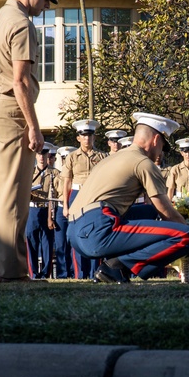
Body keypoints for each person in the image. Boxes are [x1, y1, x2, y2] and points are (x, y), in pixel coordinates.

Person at [0, 0, 64, 283]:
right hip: (11, 113)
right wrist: (34, 127)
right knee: (14, 197)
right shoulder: (21, 24)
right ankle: (12, 271)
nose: (46, 8)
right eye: (45, 0)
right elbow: (21, 81)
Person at [66, 112, 189, 283]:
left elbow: (154, 210)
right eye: (162, 146)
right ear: (155, 140)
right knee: (187, 235)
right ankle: (116, 267)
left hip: (74, 233)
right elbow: (165, 211)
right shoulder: (143, 162)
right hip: (97, 231)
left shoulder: (112, 158)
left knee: (148, 211)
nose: (161, 153)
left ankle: (115, 267)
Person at [62, 119, 108, 280]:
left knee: (96, 233)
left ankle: (96, 272)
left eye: (90, 135)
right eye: (83, 135)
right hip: (77, 195)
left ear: (94, 137)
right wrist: (65, 205)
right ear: (78, 138)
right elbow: (66, 182)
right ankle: (80, 274)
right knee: (77, 234)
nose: (87, 138)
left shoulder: (103, 156)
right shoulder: (72, 157)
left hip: (96, 196)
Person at [24, 143, 58, 279]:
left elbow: (56, 194)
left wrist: (51, 215)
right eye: (39, 154)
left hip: (47, 209)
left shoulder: (55, 173)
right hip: (32, 209)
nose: (41, 157)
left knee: (47, 244)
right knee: (31, 242)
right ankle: (33, 273)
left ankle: (45, 273)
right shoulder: (29, 172)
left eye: (44, 154)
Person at [51, 146, 77, 278]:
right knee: (61, 243)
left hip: (74, 208)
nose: (66, 160)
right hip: (61, 208)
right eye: (63, 158)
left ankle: (73, 272)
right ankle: (62, 273)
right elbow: (52, 196)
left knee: (73, 242)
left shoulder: (76, 176)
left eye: (68, 158)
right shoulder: (57, 176)